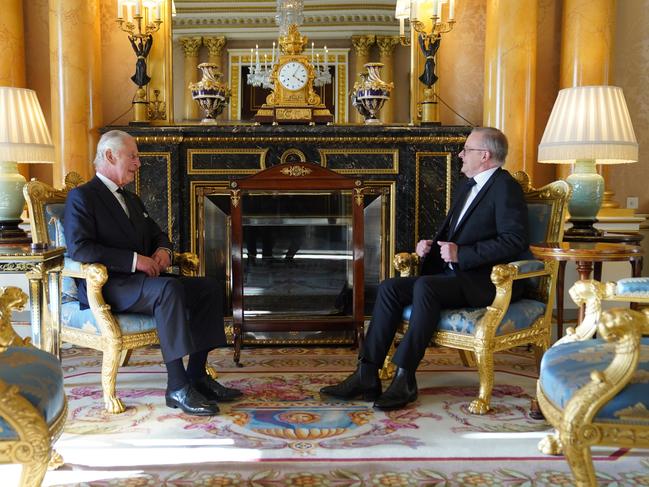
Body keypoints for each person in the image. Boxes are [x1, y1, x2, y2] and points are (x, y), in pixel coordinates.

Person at [320, 127, 530, 410]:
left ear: (484, 155)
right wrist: (430, 247)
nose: (460, 155)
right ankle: (366, 374)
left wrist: (462, 254)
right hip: (454, 275)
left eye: (466, 150)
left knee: (426, 286)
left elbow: (514, 240)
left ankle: (405, 377)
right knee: (390, 287)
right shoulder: (467, 185)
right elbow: (456, 233)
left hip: (484, 281)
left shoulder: (505, 187)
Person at [64, 130, 242, 416]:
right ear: (110, 155)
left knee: (208, 287)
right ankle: (177, 386)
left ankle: (198, 376)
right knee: (168, 290)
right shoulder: (82, 197)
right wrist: (136, 261)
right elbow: (81, 249)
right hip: (111, 285)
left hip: (142, 283)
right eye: (132, 156)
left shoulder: (132, 200)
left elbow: (159, 234)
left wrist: (163, 252)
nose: (138, 163)